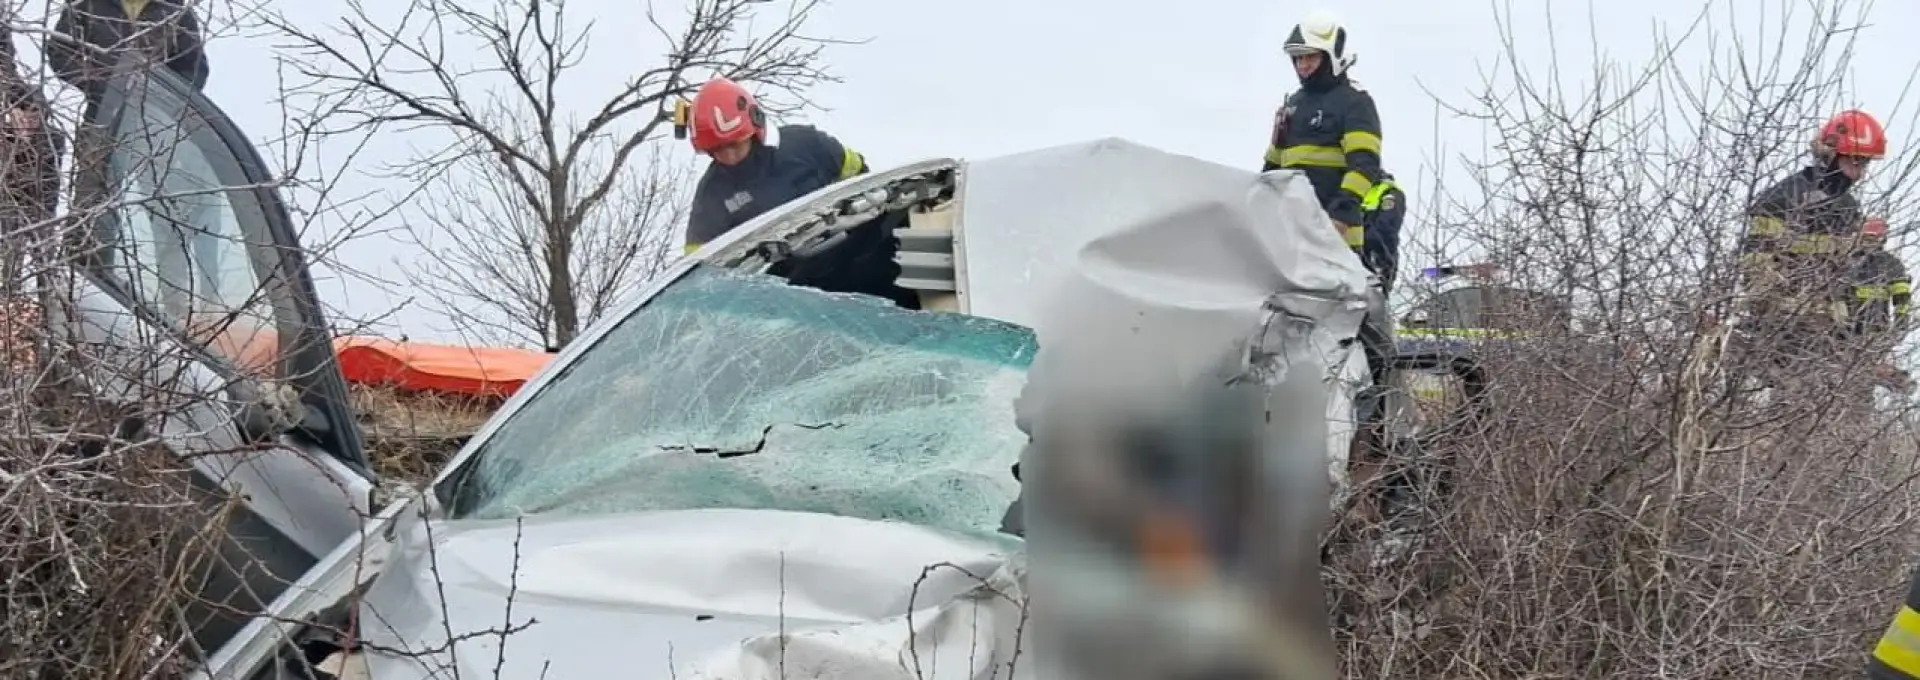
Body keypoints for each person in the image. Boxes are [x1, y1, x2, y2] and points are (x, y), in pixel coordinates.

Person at [681, 77, 917, 308]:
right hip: (796, 298)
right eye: (718, 150)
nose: (729, 157)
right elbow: (700, 269)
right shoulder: (711, 195)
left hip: (859, 255)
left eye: (734, 145)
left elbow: (863, 177)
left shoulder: (807, 145)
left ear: (755, 126)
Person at [1738, 110, 1886, 386]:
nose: (1860, 173)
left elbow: (1844, 271)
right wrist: (1772, 310)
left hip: (1832, 328)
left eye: (1865, 164)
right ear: (1831, 154)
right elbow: (1758, 261)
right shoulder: (1784, 197)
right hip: (1786, 321)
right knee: (1791, 401)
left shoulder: (1847, 205)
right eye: (1855, 161)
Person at [1262, 10, 1403, 293]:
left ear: (1331, 56)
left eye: (1310, 57)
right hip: (1293, 240)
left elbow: (1364, 165)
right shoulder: (1293, 105)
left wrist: (1339, 218)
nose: (1302, 65)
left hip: (1338, 240)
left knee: (1345, 321)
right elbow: (1271, 171)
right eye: (1298, 58)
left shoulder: (1354, 102)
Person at [48, 0, 209, 114]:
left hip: (155, 123)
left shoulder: (175, 12)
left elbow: (193, 70)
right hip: (102, 116)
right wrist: (97, 86)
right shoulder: (86, 4)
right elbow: (59, 52)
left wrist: (162, 99)